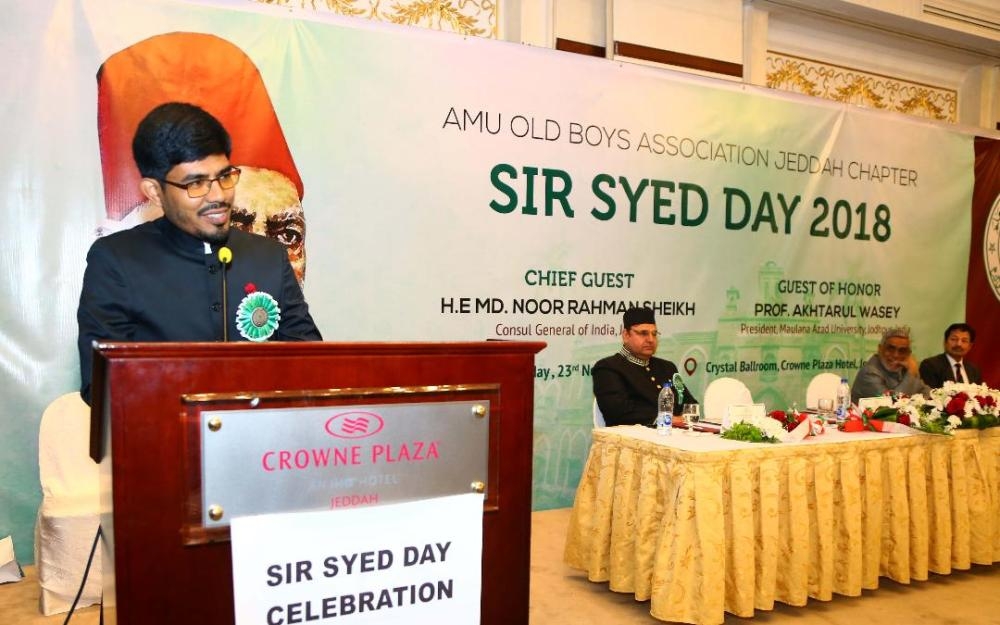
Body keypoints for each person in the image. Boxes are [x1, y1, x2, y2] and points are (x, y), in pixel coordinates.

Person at [77, 102, 322, 404]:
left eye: (224, 176)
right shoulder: (116, 260)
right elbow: (102, 388)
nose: (218, 196)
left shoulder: (268, 255)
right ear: (154, 191)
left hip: (262, 445)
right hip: (166, 444)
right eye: (196, 183)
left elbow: (311, 364)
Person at [592, 306, 697, 426]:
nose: (651, 340)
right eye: (643, 333)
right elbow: (618, 412)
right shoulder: (608, 368)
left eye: (654, 334)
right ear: (626, 335)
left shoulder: (668, 367)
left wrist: (688, 417)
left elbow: (689, 403)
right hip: (633, 440)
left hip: (675, 436)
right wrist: (666, 419)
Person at [851, 326, 929, 403]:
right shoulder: (869, 373)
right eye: (890, 348)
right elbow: (891, 404)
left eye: (902, 350)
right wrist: (911, 373)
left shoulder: (904, 368)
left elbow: (925, 392)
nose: (896, 355)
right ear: (880, 349)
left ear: (908, 354)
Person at [918, 323, 983, 388]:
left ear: (970, 346)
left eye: (964, 341)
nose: (959, 344)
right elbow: (929, 395)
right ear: (945, 342)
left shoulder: (973, 370)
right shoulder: (930, 365)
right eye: (954, 339)